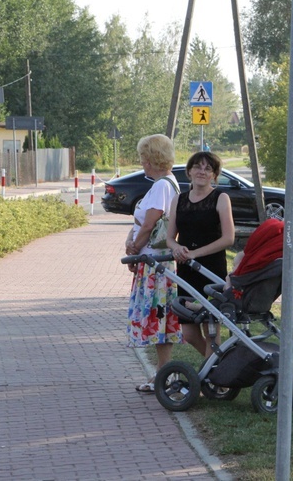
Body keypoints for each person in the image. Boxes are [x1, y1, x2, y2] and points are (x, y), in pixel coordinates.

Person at [125, 134, 182, 393]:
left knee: (160, 320)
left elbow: (150, 224)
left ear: (153, 158)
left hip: (155, 263)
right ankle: (162, 372)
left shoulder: (161, 186)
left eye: (144, 158)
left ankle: (163, 374)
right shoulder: (165, 183)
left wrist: (134, 249)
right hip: (155, 262)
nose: (142, 163)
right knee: (160, 321)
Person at [166, 151, 235, 357]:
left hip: (212, 269)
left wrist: (196, 253)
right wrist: (176, 248)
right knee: (188, 332)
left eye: (208, 168)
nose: (202, 172)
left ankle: (212, 378)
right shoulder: (178, 200)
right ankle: (216, 365)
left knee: (211, 328)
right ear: (189, 171)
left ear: (214, 175)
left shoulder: (221, 198)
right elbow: (170, 237)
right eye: (197, 167)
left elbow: (228, 238)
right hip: (187, 270)